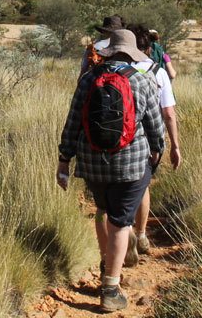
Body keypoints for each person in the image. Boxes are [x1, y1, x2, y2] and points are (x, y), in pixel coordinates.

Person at [57, 29, 164, 313]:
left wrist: (64, 159)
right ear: (130, 53)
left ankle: (107, 262)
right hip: (130, 165)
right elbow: (155, 125)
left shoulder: (88, 79)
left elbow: (72, 122)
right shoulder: (142, 80)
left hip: (92, 164)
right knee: (120, 222)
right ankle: (110, 288)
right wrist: (157, 152)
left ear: (108, 51)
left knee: (103, 210)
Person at [124, 25, 181, 263]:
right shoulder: (157, 71)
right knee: (143, 184)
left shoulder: (114, 69)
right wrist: (173, 145)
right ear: (149, 47)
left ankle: (123, 233)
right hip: (147, 137)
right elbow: (168, 113)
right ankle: (141, 234)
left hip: (117, 138)